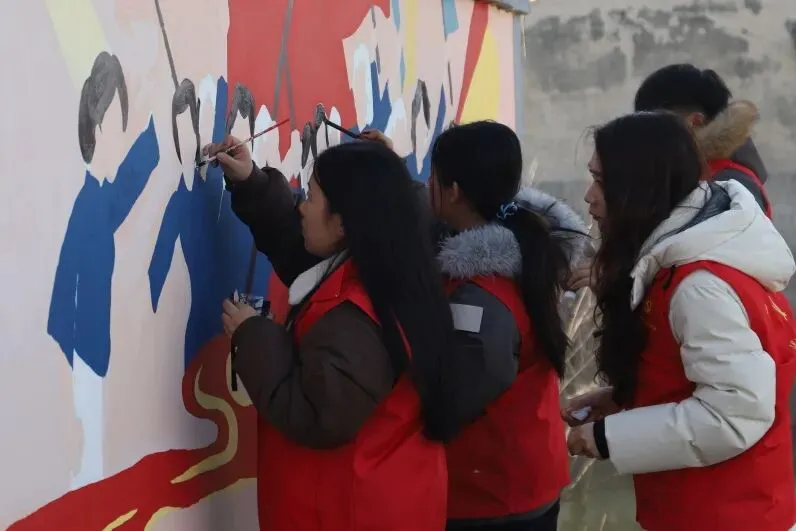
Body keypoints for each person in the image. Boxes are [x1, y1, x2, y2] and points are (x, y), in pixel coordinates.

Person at [206, 139, 456, 531]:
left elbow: (319, 414)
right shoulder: (387, 268)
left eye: (310, 197)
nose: (301, 207)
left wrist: (252, 335)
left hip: (352, 512)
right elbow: (299, 246)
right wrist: (252, 182)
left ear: (343, 223)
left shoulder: (358, 315)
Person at [564, 111, 796, 531]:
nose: (588, 196)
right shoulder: (679, 263)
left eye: (600, 180)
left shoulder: (699, 286)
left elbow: (733, 414)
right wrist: (624, 399)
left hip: (726, 516)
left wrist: (609, 436)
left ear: (639, 188)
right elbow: (697, 379)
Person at [426, 121, 588, 530]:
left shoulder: (480, 292)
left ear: (454, 191)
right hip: (526, 475)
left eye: (433, 177)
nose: (427, 186)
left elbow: (463, 391)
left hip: (492, 493)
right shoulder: (526, 247)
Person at [634, 63, 772, 217]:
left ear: (695, 122)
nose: (645, 139)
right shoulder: (688, 174)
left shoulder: (728, 186)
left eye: (654, 127)